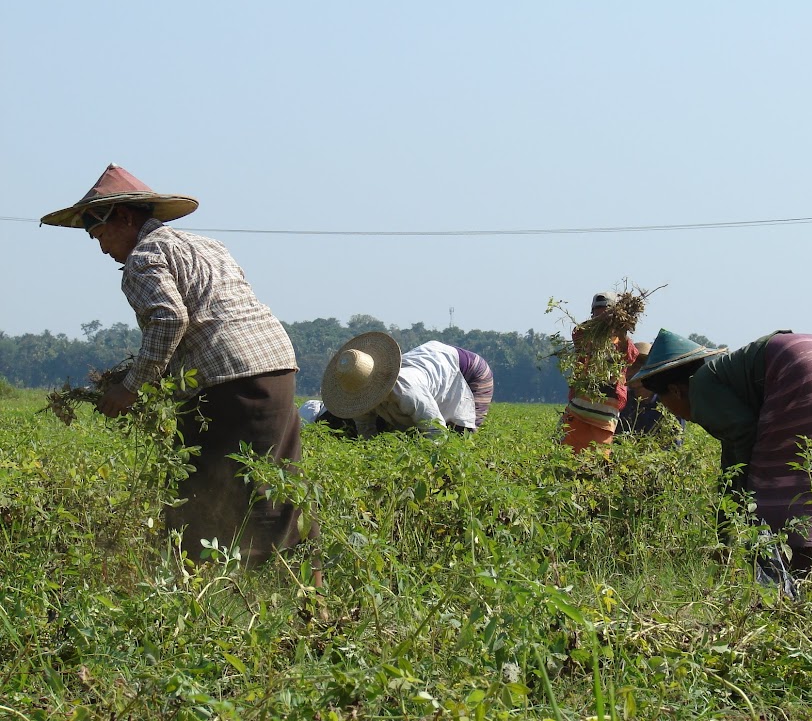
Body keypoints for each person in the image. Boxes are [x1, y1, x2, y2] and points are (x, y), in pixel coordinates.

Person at [41, 163, 317, 568]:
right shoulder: (207, 246)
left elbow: (170, 319)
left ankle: (206, 585)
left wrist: (131, 387)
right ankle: (305, 591)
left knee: (203, 486)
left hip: (230, 380)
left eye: (101, 235)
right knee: (277, 480)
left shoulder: (143, 257)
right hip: (276, 367)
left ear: (124, 217)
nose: (102, 249)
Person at [631, 328, 812, 572]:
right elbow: (732, 455)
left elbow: (742, 445)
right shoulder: (720, 378)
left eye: (665, 401)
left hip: (798, 366)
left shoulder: (700, 386)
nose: (670, 411)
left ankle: (800, 577)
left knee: (775, 482)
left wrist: (745, 495)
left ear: (676, 390)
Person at [321, 332, 494, 436]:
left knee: (461, 435)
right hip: (432, 363)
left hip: (469, 371)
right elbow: (366, 431)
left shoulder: (407, 390)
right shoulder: (358, 400)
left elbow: (436, 429)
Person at [559, 291, 639, 454]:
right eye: (598, 311)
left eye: (606, 311)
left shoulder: (621, 340)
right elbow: (578, 335)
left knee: (599, 455)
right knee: (566, 450)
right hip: (580, 403)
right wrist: (599, 326)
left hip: (605, 409)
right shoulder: (584, 334)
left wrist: (619, 329)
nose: (601, 315)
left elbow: (631, 357)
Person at [617, 341, 686, 443]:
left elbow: (673, 446)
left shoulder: (669, 403)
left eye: (636, 367)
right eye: (628, 366)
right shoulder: (622, 401)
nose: (630, 372)